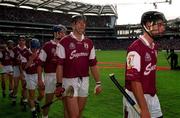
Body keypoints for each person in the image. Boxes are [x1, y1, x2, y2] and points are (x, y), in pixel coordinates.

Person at [55, 15, 102, 118]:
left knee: (78, 113)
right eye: (80, 22)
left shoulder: (89, 42)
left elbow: (93, 64)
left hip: (84, 81)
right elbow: (59, 66)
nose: (82, 25)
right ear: (73, 25)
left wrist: (98, 82)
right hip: (69, 82)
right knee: (74, 114)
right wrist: (58, 85)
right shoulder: (64, 42)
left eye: (84, 23)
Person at [124, 11, 166, 118]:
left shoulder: (154, 47)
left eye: (163, 25)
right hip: (136, 97)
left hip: (152, 95)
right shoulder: (135, 49)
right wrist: (144, 108)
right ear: (148, 25)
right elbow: (134, 81)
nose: (163, 28)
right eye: (159, 24)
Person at [37, 24, 67, 118]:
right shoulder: (47, 46)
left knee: (66, 102)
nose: (63, 34)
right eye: (61, 32)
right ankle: (44, 117)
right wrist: (40, 79)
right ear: (55, 33)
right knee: (48, 102)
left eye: (64, 32)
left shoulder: (65, 46)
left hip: (63, 76)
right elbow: (40, 64)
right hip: (50, 76)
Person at [20, 38, 44, 118]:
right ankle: (34, 113)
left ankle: (36, 102)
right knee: (31, 95)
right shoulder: (24, 53)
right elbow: (24, 67)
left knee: (42, 94)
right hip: (29, 76)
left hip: (39, 74)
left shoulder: (40, 52)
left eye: (37, 48)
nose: (35, 49)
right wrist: (31, 60)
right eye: (34, 48)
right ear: (31, 47)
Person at [12, 35, 28, 110]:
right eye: (20, 40)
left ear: (25, 41)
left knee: (24, 85)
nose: (22, 41)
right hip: (16, 68)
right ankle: (14, 98)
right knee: (15, 85)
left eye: (23, 40)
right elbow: (11, 59)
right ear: (18, 41)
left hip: (24, 70)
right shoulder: (14, 49)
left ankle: (24, 100)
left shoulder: (27, 50)